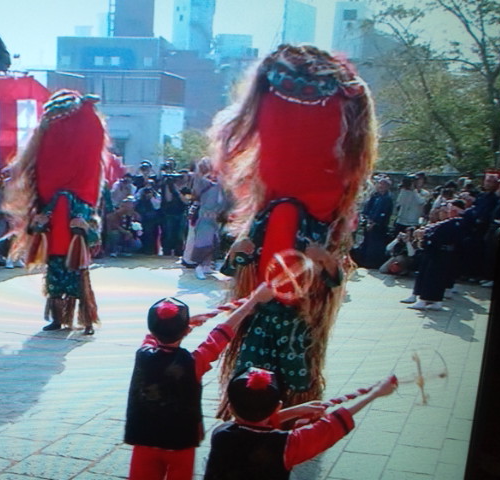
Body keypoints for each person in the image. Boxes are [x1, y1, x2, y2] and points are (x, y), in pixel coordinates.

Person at [213, 45, 377, 413]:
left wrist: (325, 260)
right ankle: (245, 415)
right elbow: (234, 265)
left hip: (296, 320)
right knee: (250, 372)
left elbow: (335, 277)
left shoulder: (318, 224)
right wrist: (237, 254)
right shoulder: (269, 216)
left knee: (297, 373)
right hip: (261, 315)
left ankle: (295, 416)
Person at [125, 284, 273, 480]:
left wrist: (185, 326)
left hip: (143, 438)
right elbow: (221, 334)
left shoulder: (142, 353)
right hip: (181, 442)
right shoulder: (194, 363)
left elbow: (153, 337)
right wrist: (253, 301)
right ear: (185, 329)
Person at [2, 90, 108, 335]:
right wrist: (38, 224)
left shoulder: (80, 191)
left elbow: (93, 232)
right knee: (56, 275)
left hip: (72, 226)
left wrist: (86, 228)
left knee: (77, 274)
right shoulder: (54, 190)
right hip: (56, 226)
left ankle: (86, 319)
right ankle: (59, 318)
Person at [203, 368, 398, 479]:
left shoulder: (221, 433)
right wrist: (374, 394)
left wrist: (297, 411)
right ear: (277, 406)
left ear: (231, 408)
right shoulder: (287, 445)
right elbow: (329, 426)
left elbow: (252, 427)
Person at [402, 199, 469, 310]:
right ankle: (433, 300)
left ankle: (425, 300)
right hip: (435, 250)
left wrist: (426, 236)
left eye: (450, 209)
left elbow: (440, 236)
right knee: (429, 274)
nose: (447, 211)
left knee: (433, 277)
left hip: (442, 251)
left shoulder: (457, 222)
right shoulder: (449, 222)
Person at [189, 160, 230, 280]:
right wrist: (201, 167)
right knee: (203, 242)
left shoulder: (222, 188)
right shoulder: (205, 183)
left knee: (213, 243)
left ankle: (207, 266)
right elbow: (197, 180)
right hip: (204, 218)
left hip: (214, 219)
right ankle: (199, 267)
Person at [355, 176, 394, 269]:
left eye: (383, 184)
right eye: (380, 183)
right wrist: (366, 219)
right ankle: (363, 260)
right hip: (369, 222)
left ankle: (373, 263)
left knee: (375, 244)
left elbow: (384, 213)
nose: (381, 186)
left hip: (379, 226)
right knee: (366, 242)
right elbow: (367, 209)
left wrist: (375, 223)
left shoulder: (387, 198)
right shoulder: (375, 196)